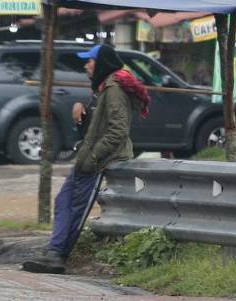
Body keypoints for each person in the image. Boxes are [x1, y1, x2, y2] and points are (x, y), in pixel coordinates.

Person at [23, 43, 149, 274]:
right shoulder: (102, 88)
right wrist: (81, 110)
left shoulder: (114, 89)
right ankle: (54, 251)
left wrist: (93, 157)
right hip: (87, 158)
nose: (86, 65)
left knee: (77, 208)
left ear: (101, 62)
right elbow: (97, 126)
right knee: (63, 201)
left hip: (99, 161)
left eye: (89, 60)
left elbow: (118, 131)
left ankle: (58, 255)